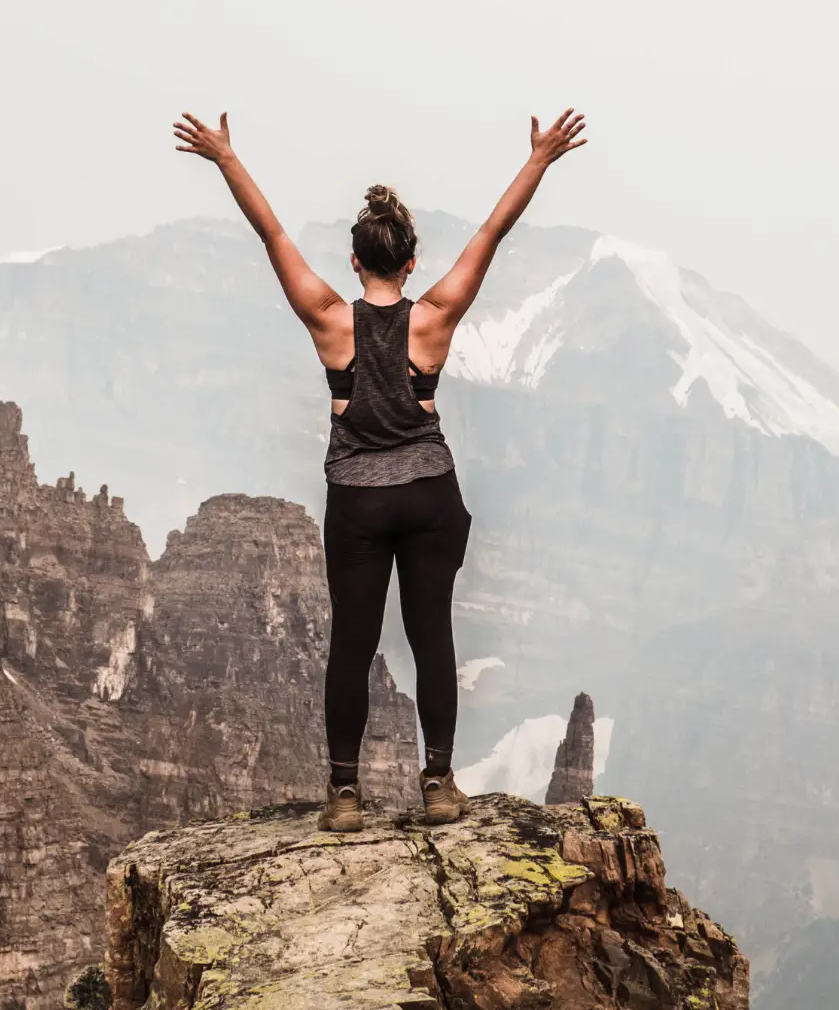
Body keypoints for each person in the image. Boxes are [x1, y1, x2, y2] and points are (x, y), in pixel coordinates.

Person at [173, 107, 587, 831]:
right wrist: (539, 161)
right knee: (432, 638)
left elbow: (271, 234)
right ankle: (437, 784)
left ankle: (344, 796)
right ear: (412, 262)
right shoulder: (435, 320)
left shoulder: (332, 320)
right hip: (430, 494)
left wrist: (226, 159)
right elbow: (493, 232)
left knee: (353, 644)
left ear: (357, 262)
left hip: (358, 503)